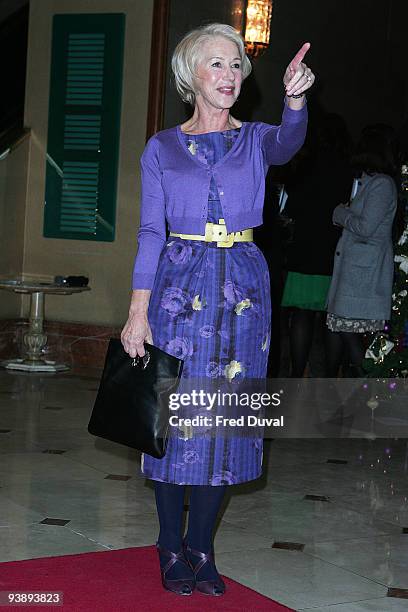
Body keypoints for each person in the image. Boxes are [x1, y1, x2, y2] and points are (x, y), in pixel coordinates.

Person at [121, 23, 313, 596]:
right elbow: (150, 231)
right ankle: (167, 542)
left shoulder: (257, 138)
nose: (230, 75)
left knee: (225, 420)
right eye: (217, 64)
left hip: (243, 288)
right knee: (176, 420)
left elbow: (290, 142)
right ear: (190, 76)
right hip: (179, 283)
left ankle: (201, 546)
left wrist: (296, 98)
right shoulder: (161, 147)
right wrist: (138, 311)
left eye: (236, 65)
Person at [280, 113, 354, 376]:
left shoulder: (305, 165)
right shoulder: (348, 169)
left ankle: (297, 372)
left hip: (305, 247)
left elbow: (290, 208)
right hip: (335, 249)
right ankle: (330, 376)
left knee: (301, 314)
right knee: (332, 318)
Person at [325, 125, 398, 376]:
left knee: (347, 333)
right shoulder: (370, 182)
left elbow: (366, 227)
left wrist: (340, 213)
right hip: (354, 276)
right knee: (336, 328)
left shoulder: (382, 185)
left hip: (363, 278)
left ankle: (368, 390)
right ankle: (330, 385)